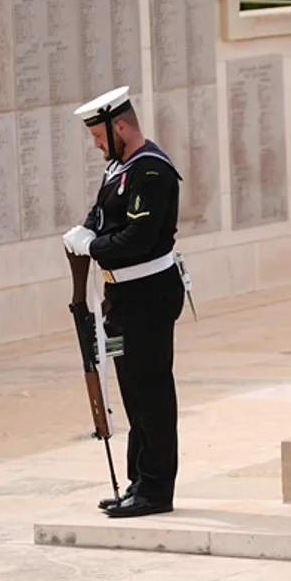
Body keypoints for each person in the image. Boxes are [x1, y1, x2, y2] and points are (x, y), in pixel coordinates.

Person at [61, 86, 186, 519]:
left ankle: (156, 489)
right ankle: (139, 482)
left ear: (120, 126)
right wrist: (83, 230)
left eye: (99, 136)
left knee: (151, 391)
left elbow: (139, 238)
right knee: (133, 391)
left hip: (149, 296)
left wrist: (92, 248)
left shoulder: (151, 172)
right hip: (123, 298)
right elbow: (102, 216)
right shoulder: (120, 168)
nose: (96, 145)